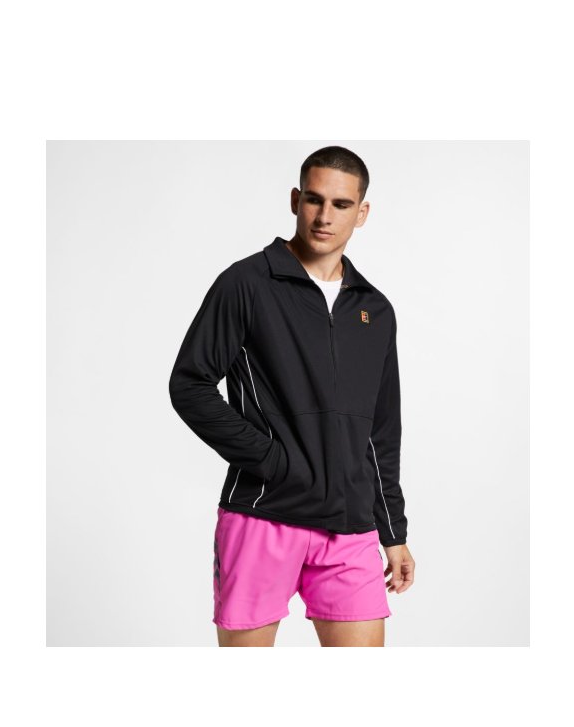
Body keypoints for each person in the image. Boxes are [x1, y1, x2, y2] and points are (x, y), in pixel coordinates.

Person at [169, 146, 415, 647]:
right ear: (295, 200)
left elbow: (381, 431)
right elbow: (189, 384)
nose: (325, 217)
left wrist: (393, 531)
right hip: (263, 515)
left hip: (349, 527)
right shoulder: (246, 284)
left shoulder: (375, 310)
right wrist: (271, 461)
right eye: (314, 200)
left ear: (362, 212)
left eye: (341, 205)